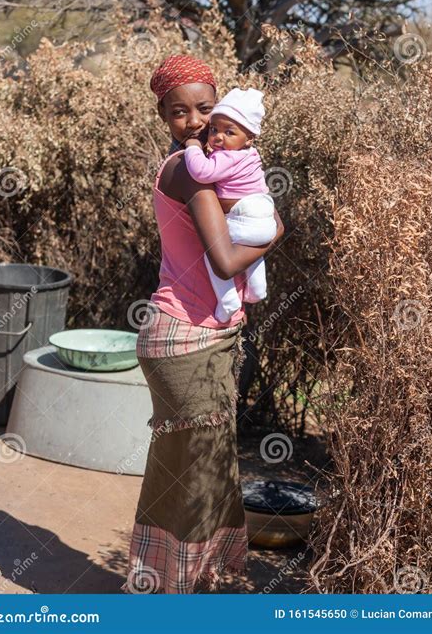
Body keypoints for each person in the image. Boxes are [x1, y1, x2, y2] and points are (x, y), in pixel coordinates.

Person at [121, 54, 284, 595]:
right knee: (195, 480)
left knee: (199, 473)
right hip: (187, 339)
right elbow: (226, 261)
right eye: (178, 113)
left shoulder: (195, 167)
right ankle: (177, 601)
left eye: (206, 111)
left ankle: (181, 589)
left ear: (224, 112)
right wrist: (276, 227)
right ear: (162, 115)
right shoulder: (188, 174)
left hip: (195, 336)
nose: (194, 124)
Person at [183, 87, 277, 322]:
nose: (218, 137)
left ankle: (228, 301)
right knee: (249, 250)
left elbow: (202, 172)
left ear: (249, 138)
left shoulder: (227, 156)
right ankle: (256, 290)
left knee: (213, 253)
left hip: (245, 214)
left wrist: (193, 147)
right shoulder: (251, 154)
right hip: (265, 217)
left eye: (229, 132)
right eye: (214, 129)